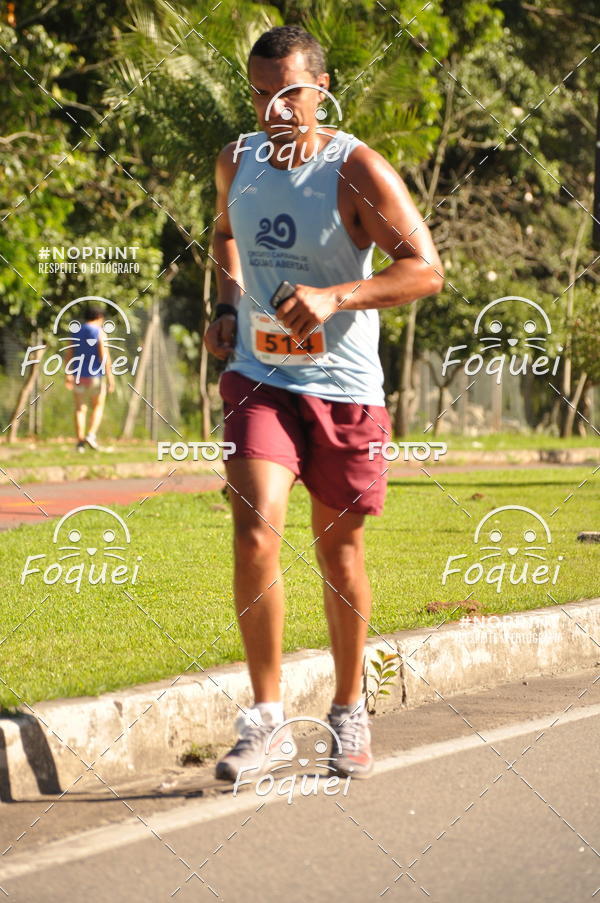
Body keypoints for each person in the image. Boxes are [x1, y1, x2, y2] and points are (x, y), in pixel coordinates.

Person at [204, 25, 443, 781]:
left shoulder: (357, 170)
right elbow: (223, 235)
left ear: (321, 87)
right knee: (254, 533)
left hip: (343, 389)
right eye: (258, 93)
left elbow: (425, 271)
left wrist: (336, 296)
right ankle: (266, 720)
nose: (273, 109)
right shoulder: (236, 161)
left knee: (339, 551)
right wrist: (224, 302)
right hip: (260, 377)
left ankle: (347, 710)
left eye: (288, 93)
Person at [65, 304, 114, 451]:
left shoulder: (75, 332)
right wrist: (111, 378)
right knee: (98, 406)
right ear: (99, 317)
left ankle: (80, 442)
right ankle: (91, 435)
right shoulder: (99, 332)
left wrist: (68, 374)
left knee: (80, 409)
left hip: (78, 375)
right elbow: (104, 356)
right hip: (95, 375)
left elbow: (68, 355)